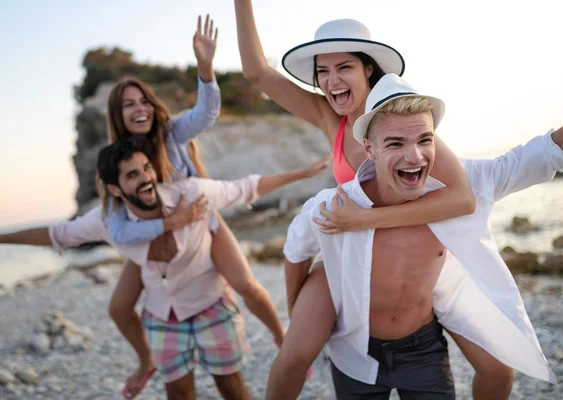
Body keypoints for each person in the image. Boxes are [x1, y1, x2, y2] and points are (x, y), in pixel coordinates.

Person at [233, 2, 526, 398]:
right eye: (323, 71)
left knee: (498, 369)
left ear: (368, 68)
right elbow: (256, 72)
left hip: (408, 259)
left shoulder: (401, 122)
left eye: (344, 68)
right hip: (346, 253)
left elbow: (461, 199)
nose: (332, 80)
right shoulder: (327, 116)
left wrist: (367, 220)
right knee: (292, 355)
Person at [278, 73, 563, 399]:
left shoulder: (459, 188)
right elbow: (295, 250)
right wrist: (296, 315)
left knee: (498, 371)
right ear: (369, 148)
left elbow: (544, 154)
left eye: (424, 139)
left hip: (423, 349)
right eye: (395, 143)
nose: (415, 156)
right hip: (355, 352)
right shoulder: (334, 207)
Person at [0, 136, 331, 400]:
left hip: (211, 305)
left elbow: (245, 188)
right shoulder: (107, 221)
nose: (146, 179)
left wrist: (303, 173)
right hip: (162, 315)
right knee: (178, 393)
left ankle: (280, 337)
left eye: (146, 168)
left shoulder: (189, 194)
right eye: (132, 175)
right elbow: (56, 234)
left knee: (231, 388)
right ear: (115, 190)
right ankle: (146, 363)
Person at [98, 14, 321, 398]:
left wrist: (205, 69)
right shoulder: (116, 164)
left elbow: (206, 114)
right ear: (117, 117)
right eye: (128, 105)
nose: (139, 109)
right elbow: (115, 225)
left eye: (143, 101)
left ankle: (281, 335)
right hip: (161, 232)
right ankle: (146, 358)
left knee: (247, 284)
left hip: (200, 219)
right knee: (119, 306)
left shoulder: (170, 134)